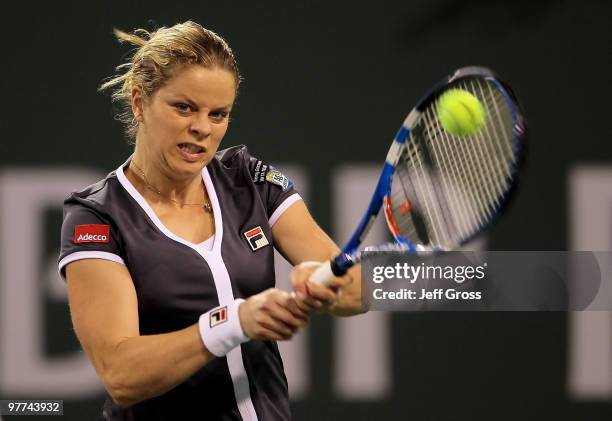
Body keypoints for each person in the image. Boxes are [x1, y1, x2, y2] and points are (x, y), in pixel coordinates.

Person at [58, 21, 363, 421]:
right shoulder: (96, 217)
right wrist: (232, 322)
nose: (202, 127)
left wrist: (326, 282)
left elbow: (356, 288)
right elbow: (120, 373)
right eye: (184, 107)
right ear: (139, 103)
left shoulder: (249, 180)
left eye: (218, 114)